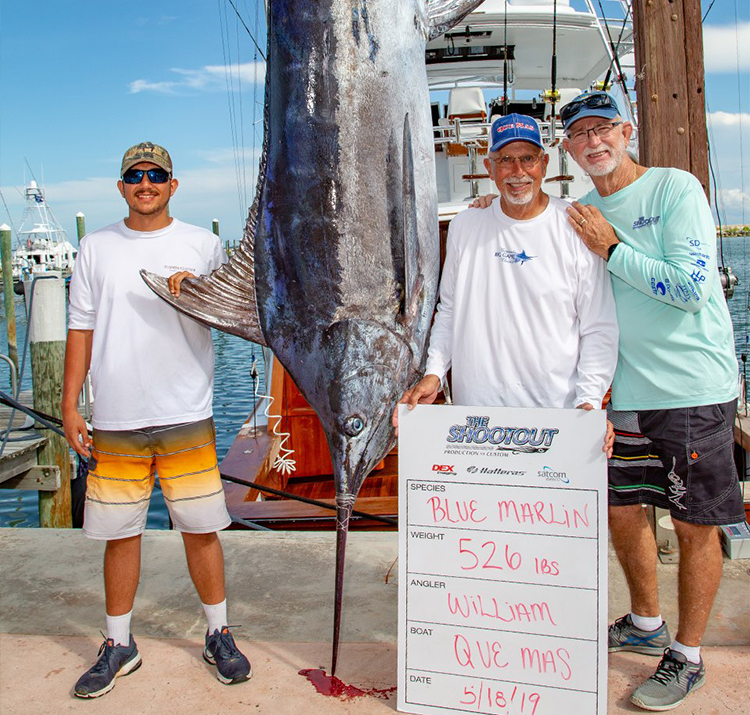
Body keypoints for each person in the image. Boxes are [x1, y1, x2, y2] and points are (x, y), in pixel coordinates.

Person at [557, 91, 744, 712]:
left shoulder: (675, 189)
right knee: (623, 512)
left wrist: (612, 248)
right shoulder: (578, 210)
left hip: (692, 390)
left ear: (627, 130)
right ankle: (645, 622)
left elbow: (692, 289)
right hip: (623, 394)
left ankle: (687, 656)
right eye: (580, 134)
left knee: (695, 525)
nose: (593, 142)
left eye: (603, 128)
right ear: (569, 148)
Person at [62, 142, 251, 699]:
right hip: (116, 416)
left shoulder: (204, 243)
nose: (146, 183)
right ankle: (119, 643)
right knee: (120, 535)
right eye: (135, 175)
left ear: (174, 184)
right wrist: (71, 404)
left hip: (186, 411)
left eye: (157, 175)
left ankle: (219, 632)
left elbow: (237, 312)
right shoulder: (94, 248)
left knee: (201, 528)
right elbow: (81, 329)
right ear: (120, 186)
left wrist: (196, 290)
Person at [396, 113, 618, 444]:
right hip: (477, 419)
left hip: (558, 415)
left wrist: (589, 399)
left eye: (527, 158)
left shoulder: (575, 225)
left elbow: (598, 325)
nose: (517, 172)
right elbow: (450, 311)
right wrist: (434, 373)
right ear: (490, 168)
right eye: (505, 160)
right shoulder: (464, 226)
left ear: (544, 163)